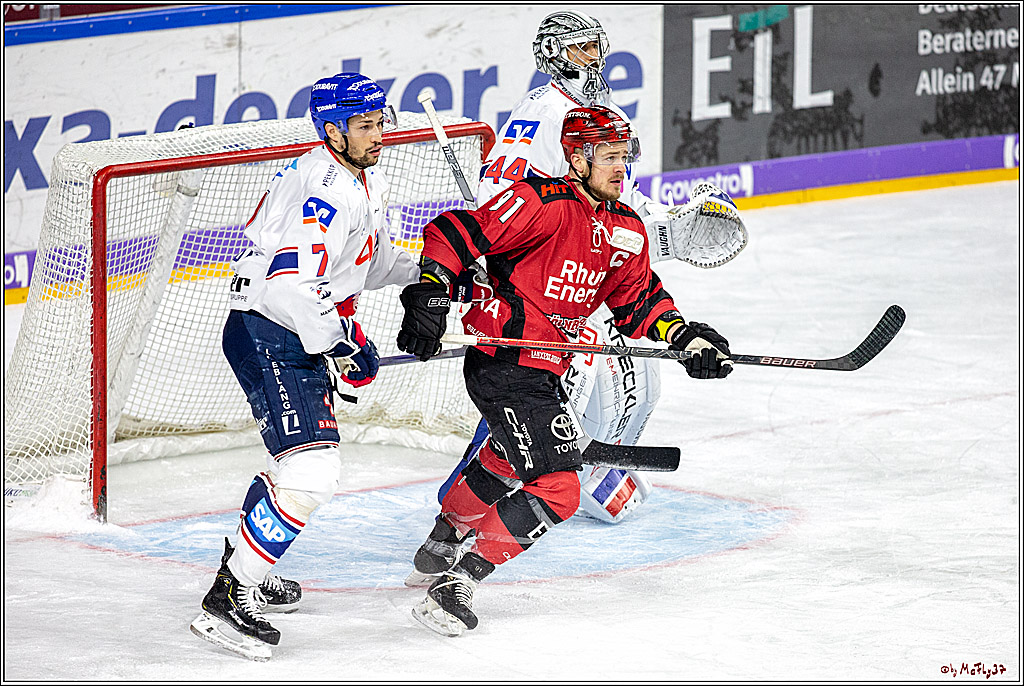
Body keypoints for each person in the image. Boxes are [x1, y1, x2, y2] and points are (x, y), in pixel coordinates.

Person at [411, 8, 746, 589]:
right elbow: (505, 200)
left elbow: (623, 250)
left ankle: (475, 513)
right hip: (532, 289)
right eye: (581, 51)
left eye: (597, 49)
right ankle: (480, 528)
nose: (594, 61)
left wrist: (663, 249)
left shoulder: (595, 124)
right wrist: (458, 276)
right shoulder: (549, 112)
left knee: (632, 386)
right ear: (554, 54)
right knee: (538, 408)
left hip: (572, 286)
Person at [189, 72, 418, 661]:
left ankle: (247, 570)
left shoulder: (360, 176)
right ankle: (226, 600)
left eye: (379, 122)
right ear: (331, 129)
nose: (378, 135)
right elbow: (293, 283)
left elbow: (370, 266)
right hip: (274, 330)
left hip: (284, 329)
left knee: (295, 470)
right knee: (312, 474)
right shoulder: (330, 188)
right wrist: (340, 343)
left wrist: (440, 275)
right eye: (364, 126)